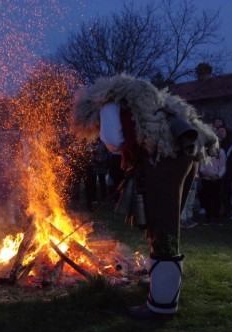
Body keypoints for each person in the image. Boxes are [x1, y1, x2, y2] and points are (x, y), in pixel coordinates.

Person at [71, 74, 218, 319]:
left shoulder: (107, 102)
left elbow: (113, 140)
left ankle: (162, 304)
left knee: (164, 227)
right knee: (162, 222)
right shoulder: (133, 96)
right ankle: (159, 281)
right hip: (180, 156)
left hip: (163, 160)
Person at [199, 145, 227, 225]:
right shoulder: (203, 151)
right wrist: (208, 174)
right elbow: (201, 166)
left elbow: (223, 166)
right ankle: (208, 217)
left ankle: (216, 217)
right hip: (206, 179)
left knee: (217, 198)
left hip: (217, 179)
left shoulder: (221, 151)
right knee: (207, 198)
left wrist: (218, 175)